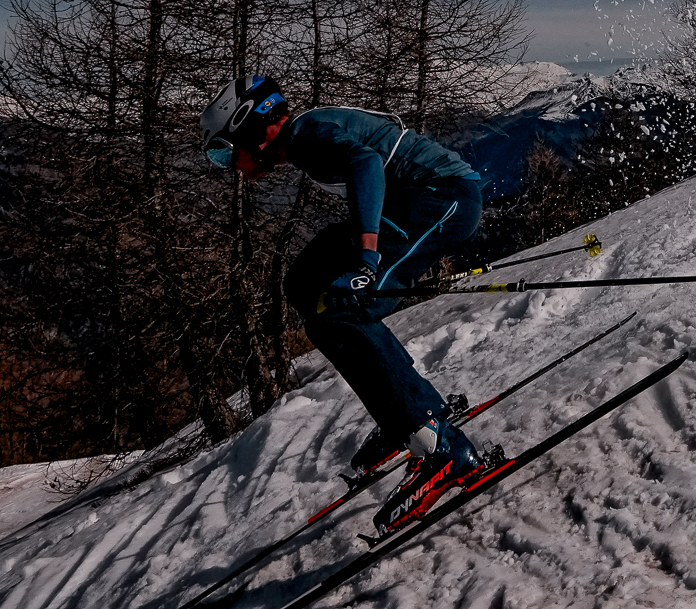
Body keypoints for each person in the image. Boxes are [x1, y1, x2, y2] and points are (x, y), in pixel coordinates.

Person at [199, 75, 486, 530]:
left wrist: (366, 257)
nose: (229, 165)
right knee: (304, 285)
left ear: (249, 129)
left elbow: (365, 163)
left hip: (441, 199)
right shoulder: (304, 136)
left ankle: (439, 443)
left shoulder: (305, 135)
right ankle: (406, 415)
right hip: (422, 199)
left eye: (223, 151)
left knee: (343, 309)